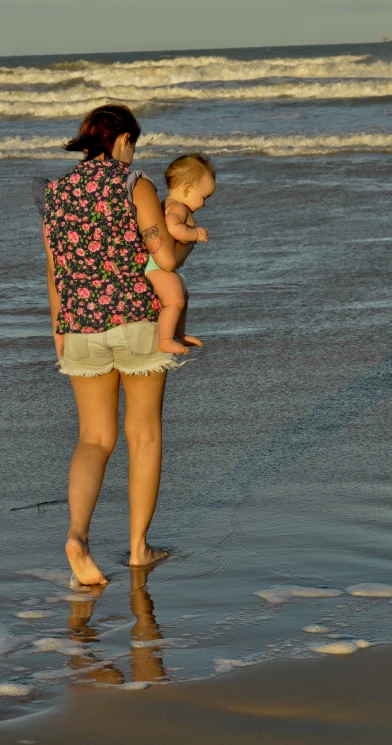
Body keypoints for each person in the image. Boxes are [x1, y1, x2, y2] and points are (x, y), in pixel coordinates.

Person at [37, 104, 192, 586]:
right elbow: (164, 256)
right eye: (133, 143)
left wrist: (59, 327)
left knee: (93, 438)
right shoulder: (133, 184)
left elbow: (55, 270)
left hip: (79, 326)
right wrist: (190, 241)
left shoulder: (55, 194)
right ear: (121, 139)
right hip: (136, 321)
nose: (133, 153)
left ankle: (78, 536)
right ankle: (138, 549)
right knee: (142, 434)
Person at [145, 153, 216, 354]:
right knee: (175, 301)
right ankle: (166, 339)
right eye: (204, 197)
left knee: (182, 296)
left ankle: (180, 334)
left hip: (159, 263)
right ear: (187, 189)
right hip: (157, 266)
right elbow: (173, 228)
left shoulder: (170, 203)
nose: (204, 204)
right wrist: (195, 234)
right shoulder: (177, 208)